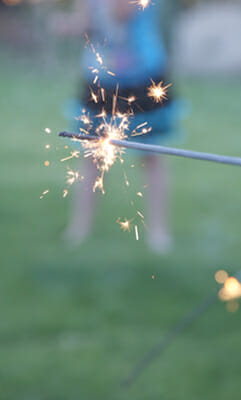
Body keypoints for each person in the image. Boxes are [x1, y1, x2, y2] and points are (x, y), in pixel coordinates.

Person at [64, 0, 178, 253]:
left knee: (151, 156)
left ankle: (158, 231)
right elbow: (84, 24)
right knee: (92, 156)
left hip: (144, 76)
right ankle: (80, 227)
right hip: (101, 77)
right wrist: (65, 25)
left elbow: (122, 12)